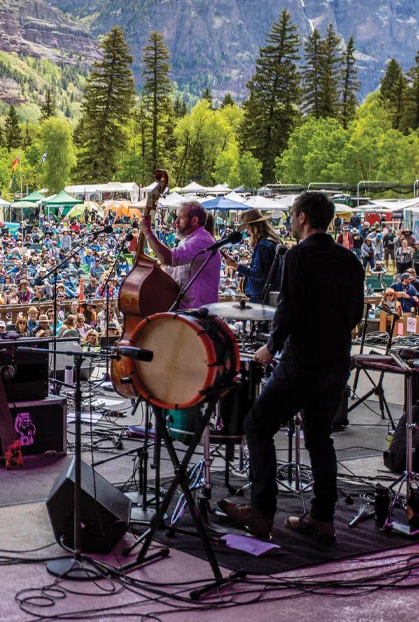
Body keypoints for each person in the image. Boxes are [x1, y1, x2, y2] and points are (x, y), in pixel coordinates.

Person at [220, 192, 364, 543]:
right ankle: (323, 518)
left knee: (257, 425)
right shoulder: (350, 260)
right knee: (318, 436)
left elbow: (290, 307)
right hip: (336, 360)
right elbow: (356, 314)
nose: (289, 219)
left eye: (292, 214)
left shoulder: (297, 255)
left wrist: (272, 347)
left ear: (302, 217)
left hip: (303, 360)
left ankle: (261, 512)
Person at [139, 201, 220, 309]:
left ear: (194, 220)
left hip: (198, 313)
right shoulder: (187, 241)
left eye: (180, 218)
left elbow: (169, 258)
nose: (175, 223)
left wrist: (148, 233)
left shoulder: (202, 241)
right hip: (185, 311)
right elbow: (172, 275)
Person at [221, 209, 282, 304]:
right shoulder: (272, 242)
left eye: (247, 228)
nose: (248, 232)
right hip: (271, 293)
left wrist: (235, 265)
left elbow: (258, 274)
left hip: (261, 296)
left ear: (253, 227)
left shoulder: (262, 246)